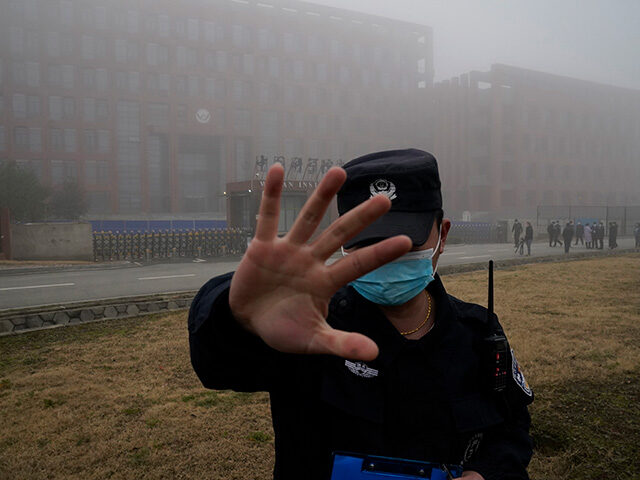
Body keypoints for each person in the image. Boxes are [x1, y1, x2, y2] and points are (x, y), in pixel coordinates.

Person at [188, 149, 534, 480]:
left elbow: (511, 430)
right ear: (344, 242)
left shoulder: (477, 333)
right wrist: (238, 316)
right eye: (366, 241)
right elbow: (217, 366)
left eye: (404, 240)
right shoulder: (309, 328)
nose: (383, 257)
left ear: (441, 235)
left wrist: (489, 473)